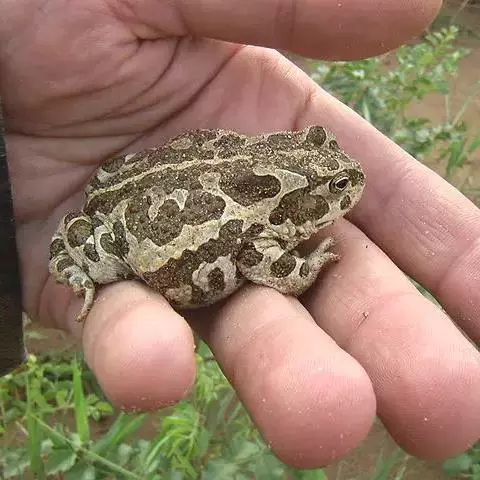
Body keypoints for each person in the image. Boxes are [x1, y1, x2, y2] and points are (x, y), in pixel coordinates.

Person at [1, 0, 479, 469]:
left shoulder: (264, 193)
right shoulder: (263, 224)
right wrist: (307, 265)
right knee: (101, 261)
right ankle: (78, 264)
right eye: (334, 188)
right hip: (120, 227)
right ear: (300, 200)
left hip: (128, 175)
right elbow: (261, 260)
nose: (349, 184)